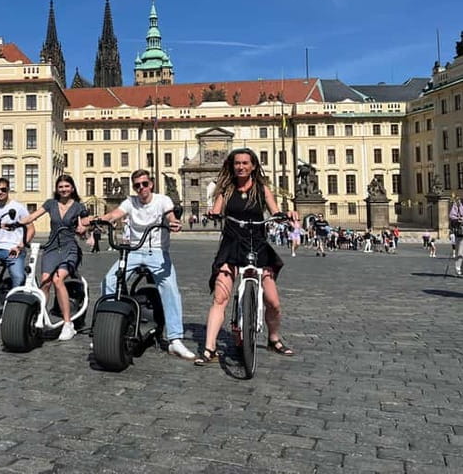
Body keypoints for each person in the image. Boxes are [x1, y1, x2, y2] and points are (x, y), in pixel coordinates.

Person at [195, 148, 297, 366]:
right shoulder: (226, 189)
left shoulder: (261, 189)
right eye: (237, 163)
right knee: (220, 298)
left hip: (257, 245)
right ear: (232, 166)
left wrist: (285, 215)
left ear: (253, 166)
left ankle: (273, 338)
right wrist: (213, 212)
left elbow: (275, 211)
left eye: (245, 163)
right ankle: (209, 348)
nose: (241, 166)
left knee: (273, 302)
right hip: (231, 245)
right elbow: (217, 208)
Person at [97, 169, 196, 361]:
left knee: (170, 288)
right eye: (137, 185)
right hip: (133, 251)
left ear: (151, 184)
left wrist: (174, 223)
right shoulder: (130, 202)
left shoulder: (163, 200)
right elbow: (115, 214)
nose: (141, 188)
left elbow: (170, 216)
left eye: (144, 184)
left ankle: (175, 339)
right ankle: (107, 327)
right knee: (109, 281)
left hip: (157, 251)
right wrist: (99, 219)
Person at [16, 174, 88, 341]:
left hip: (70, 248)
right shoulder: (50, 204)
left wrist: (83, 230)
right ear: (57, 189)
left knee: (57, 280)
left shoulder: (79, 207)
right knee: (45, 282)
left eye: (66, 186)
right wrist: (16, 223)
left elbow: (84, 225)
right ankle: (39, 316)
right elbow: (32, 216)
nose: (63, 189)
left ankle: (68, 324)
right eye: (60, 187)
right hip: (51, 247)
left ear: (72, 188)